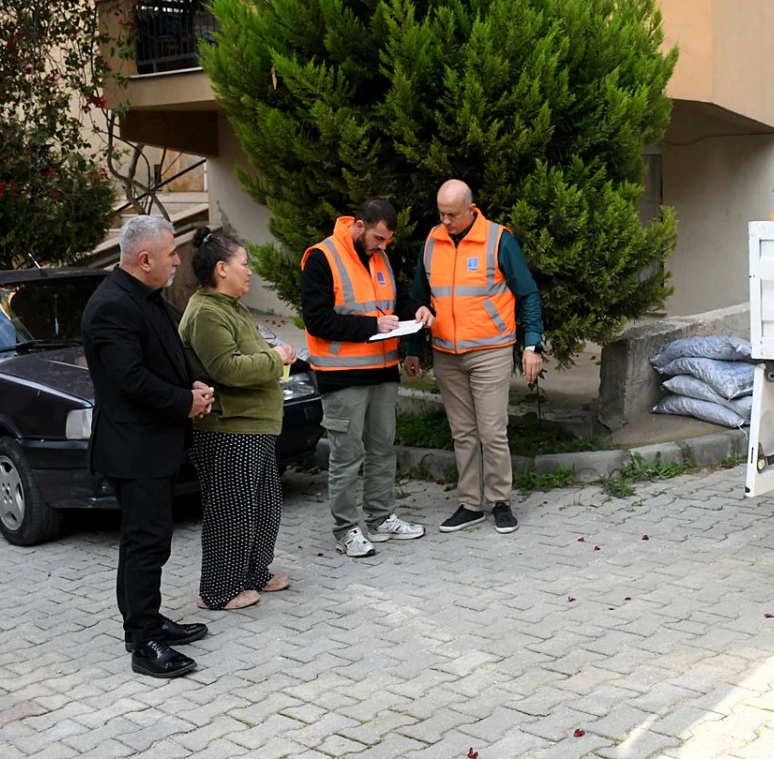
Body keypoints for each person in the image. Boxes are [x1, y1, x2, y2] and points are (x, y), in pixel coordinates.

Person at [82, 215, 214, 679]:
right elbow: (132, 380)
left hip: (153, 444)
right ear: (144, 260)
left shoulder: (145, 297)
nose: (178, 261)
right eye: (170, 254)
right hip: (133, 449)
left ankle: (148, 620)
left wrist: (189, 383)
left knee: (148, 541)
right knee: (145, 544)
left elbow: (161, 360)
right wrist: (185, 403)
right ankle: (144, 641)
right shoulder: (112, 307)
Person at [405, 179, 543, 535]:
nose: (445, 220)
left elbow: (527, 293)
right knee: (462, 432)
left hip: (490, 350)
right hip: (446, 352)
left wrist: (532, 344)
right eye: (441, 213)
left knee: (492, 430)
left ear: (471, 208)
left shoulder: (499, 240)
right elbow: (419, 296)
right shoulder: (432, 242)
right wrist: (413, 344)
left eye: (452, 214)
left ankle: (500, 502)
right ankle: (470, 504)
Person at [301, 198, 434, 557]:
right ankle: (346, 529)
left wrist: (415, 310)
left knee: (381, 450)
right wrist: (371, 326)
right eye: (378, 238)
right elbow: (317, 319)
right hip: (341, 375)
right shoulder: (322, 257)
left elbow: (392, 302)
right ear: (359, 226)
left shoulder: (380, 257)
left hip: (382, 371)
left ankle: (381, 517)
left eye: (387, 241)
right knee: (347, 455)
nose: (383, 246)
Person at [179, 227, 295, 610]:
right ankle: (217, 591)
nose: (250, 272)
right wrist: (275, 360)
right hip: (229, 429)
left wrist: (275, 356)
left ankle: (253, 573)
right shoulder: (205, 313)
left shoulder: (232, 307)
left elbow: (251, 354)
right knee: (230, 510)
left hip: (255, 425)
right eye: (244, 264)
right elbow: (228, 368)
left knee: (264, 506)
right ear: (221, 269)